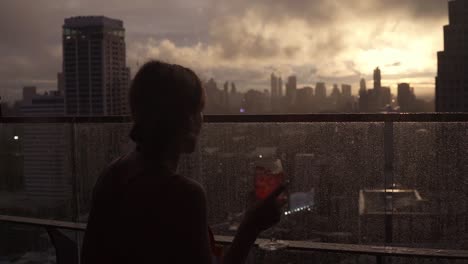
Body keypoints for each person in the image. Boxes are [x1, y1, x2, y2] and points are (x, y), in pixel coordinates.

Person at [81, 60, 286, 264]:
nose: (201, 119)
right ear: (187, 120)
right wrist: (250, 226)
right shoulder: (184, 195)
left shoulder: (112, 173)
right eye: (199, 110)